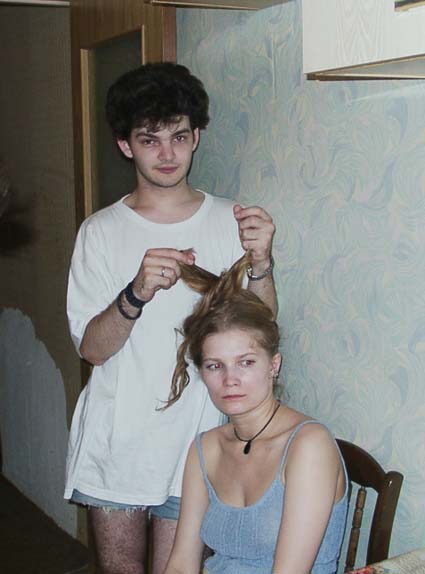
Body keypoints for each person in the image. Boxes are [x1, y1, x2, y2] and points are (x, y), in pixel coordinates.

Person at [64, 62, 277, 574]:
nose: (166, 154)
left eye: (179, 137)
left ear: (196, 136)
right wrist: (135, 293)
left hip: (199, 442)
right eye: (149, 139)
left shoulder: (230, 221)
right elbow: (91, 350)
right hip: (118, 444)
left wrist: (262, 262)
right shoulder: (100, 231)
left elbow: (261, 332)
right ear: (125, 145)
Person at [164, 255, 348, 574]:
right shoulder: (205, 448)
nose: (230, 379)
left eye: (246, 362)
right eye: (215, 366)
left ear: (273, 365)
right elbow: (182, 564)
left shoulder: (309, 446)